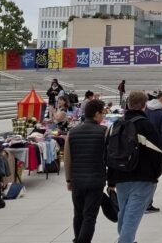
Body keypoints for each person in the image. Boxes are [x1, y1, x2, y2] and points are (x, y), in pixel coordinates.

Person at [109, 91, 162, 243]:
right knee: (132, 216)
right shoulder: (146, 125)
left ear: (127, 105)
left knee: (124, 214)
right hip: (142, 177)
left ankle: (125, 239)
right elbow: (158, 153)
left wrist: (111, 181)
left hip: (120, 176)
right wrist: (155, 175)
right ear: (143, 105)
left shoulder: (116, 125)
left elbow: (109, 153)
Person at [64, 99, 108, 243]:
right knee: (90, 216)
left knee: (78, 214)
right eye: (102, 113)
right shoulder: (104, 132)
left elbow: (68, 159)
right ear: (96, 114)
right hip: (96, 181)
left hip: (77, 181)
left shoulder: (72, 132)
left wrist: (69, 179)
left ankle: (78, 239)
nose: (103, 116)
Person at [144, 91, 162, 213]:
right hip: (157, 148)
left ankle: (142, 201)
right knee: (154, 176)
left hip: (144, 146)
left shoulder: (146, 109)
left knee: (144, 174)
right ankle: (147, 203)